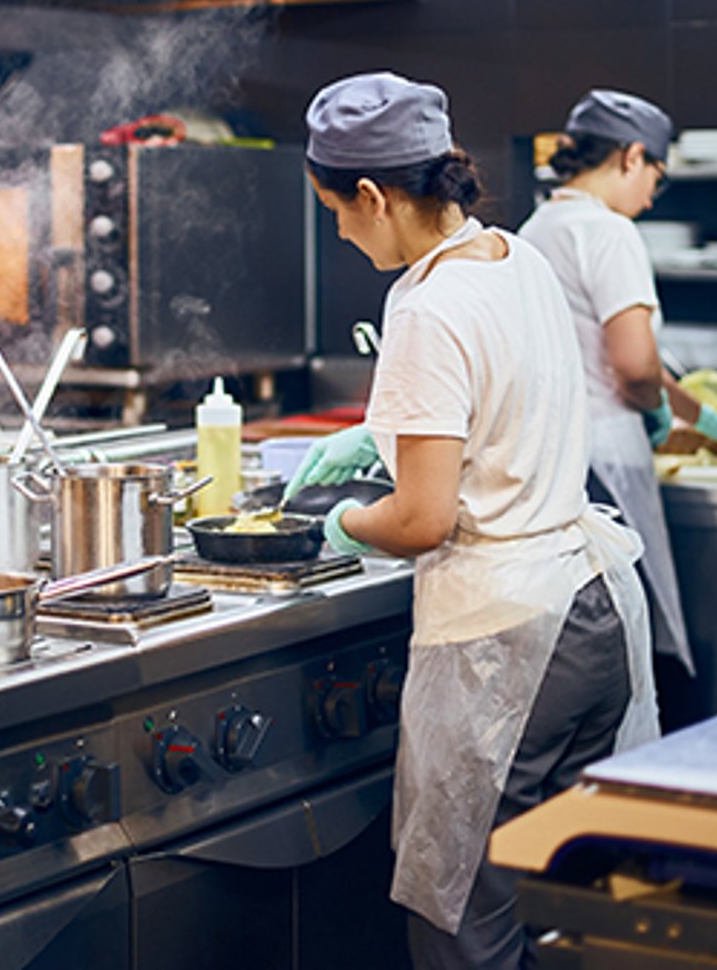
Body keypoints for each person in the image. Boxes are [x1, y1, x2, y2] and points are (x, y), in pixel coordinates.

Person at [283, 72, 660, 970]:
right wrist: (374, 438)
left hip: (508, 642)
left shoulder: (424, 306)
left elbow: (421, 518)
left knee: (465, 922)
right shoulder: (513, 256)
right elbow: (497, 407)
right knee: (563, 909)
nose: (338, 230)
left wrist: (345, 523)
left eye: (336, 209)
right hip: (593, 608)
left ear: (373, 195)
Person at [519, 89, 717, 682]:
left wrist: (701, 416)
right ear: (632, 156)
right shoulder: (608, 233)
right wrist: (654, 411)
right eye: (656, 173)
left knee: (577, 635)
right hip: (606, 457)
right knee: (629, 636)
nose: (654, 192)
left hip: (551, 457)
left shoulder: (535, 229)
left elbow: (610, 354)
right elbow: (633, 367)